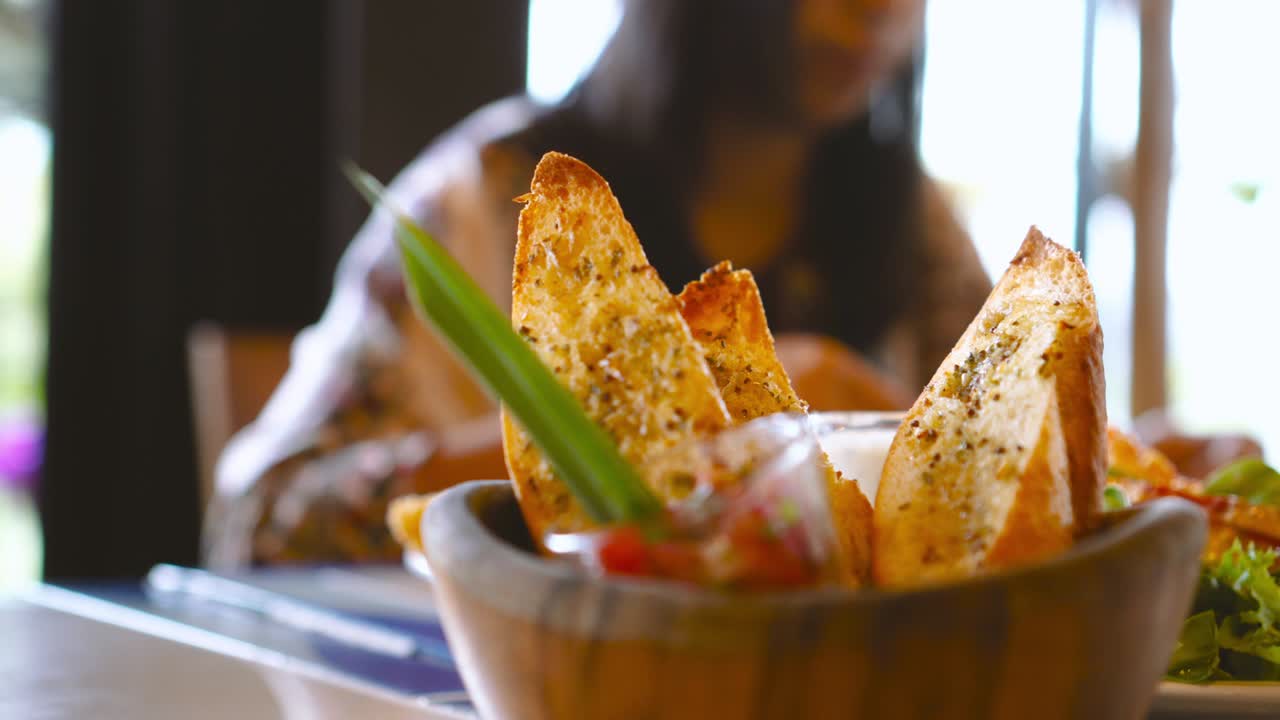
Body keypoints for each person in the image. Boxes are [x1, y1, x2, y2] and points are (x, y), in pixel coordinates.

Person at [201, 0, 1004, 567]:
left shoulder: (907, 223)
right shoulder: (495, 199)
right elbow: (262, 518)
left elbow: (999, 471)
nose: (879, 8)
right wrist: (671, 411)